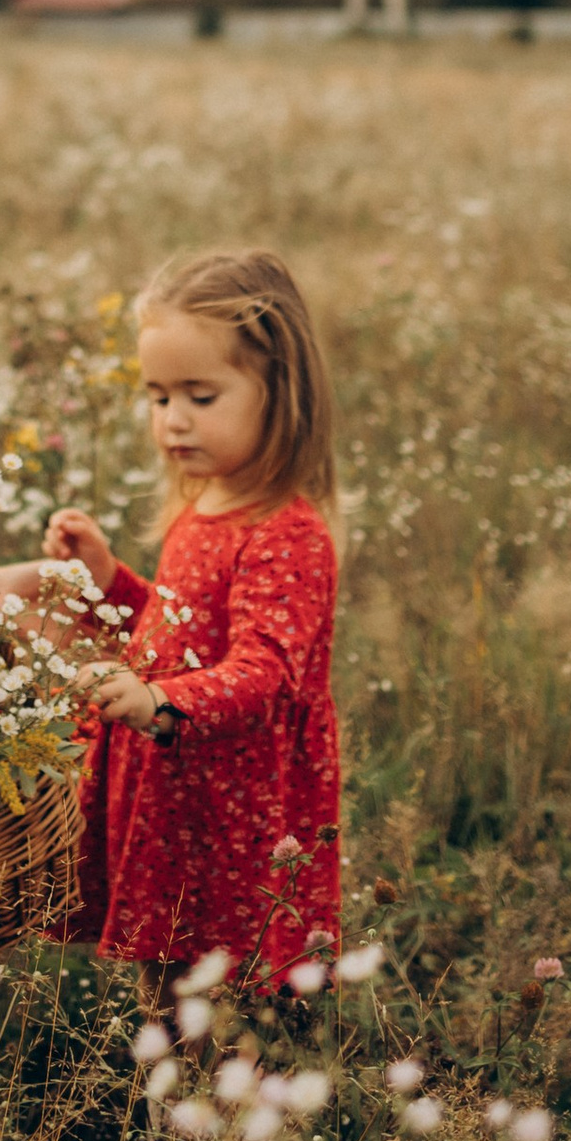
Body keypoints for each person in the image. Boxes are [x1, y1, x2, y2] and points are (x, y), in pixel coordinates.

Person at [39, 248, 341, 995]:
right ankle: (172, 1099)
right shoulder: (205, 503)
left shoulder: (285, 532)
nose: (173, 420)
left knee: (223, 975)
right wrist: (110, 582)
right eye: (158, 397)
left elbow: (263, 675)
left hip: (234, 808)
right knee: (169, 974)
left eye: (200, 397)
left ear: (279, 391)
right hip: (176, 788)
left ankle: (227, 1098)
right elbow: (175, 631)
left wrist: (158, 703)